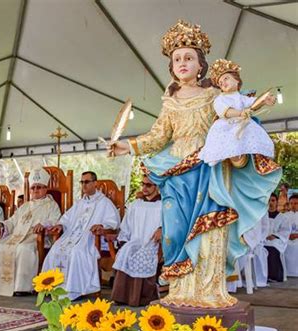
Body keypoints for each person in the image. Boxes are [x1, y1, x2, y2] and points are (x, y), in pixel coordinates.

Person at [109, 20, 282, 308]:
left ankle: (208, 291)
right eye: (177, 59)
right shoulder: (170, 101)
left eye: (189, 57)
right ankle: (180, 291)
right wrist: (127, 145)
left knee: (210, 230)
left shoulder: (215, 96)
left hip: (208, 169)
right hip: (177, 175)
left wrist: (244, 134)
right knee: (175, 231)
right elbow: (158, 136)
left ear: (201, 64)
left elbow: (236, 121)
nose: (182, 63)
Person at [41, 171, 120, 300]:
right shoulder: (79, 203)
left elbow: (113, 222)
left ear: (95, 184)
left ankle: (73, 290)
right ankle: (53, 288)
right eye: (82, 182)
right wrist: (60, 225)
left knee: (76, 252)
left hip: (90, 239)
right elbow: (66, 218)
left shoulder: (104, 203)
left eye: (87, 182)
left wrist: (102, 226)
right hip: (71, 237)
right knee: (55, 250)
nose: (83, 185)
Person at [0, 169, 61, 296]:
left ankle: (22, 287)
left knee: (23, 249)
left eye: (39, 187)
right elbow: (12, 221)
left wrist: (43, 224)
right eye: (33, 188)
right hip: (16, 236)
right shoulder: (25, 205)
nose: (35, 190)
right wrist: (2, 224)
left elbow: (56, 221)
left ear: (45, 189)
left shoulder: (52, 205)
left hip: (38, 238)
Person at [198, 59, 275, 166]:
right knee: (223, 137)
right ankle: (223, 154)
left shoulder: (241, 97)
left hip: (242, 122)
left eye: (226, 78)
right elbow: (224, 111)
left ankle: (253, 153)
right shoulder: (220, 99)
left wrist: (264, 101)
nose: (223, 83)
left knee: (253, 133)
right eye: (220, 83)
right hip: (227, 124)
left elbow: (253, 103)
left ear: (237, 80)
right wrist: (240, 113)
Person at [111, 176, 162, 306]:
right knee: (126, 251)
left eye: (148, 185)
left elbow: (171, 224)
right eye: (142, 184)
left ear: (157, 187)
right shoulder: (135, 205)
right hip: (136, 239)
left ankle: (140, 298)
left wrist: (162, 229)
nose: (144, 188)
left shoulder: (163, 205)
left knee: (142, 255)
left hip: (153, 242)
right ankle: (121, 297)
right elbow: (126, 225)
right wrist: (123, 241)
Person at [265, 193, 291, 282]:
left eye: (273, 200)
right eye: (269, 200)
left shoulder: (283, 217)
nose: (270, 203)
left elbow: (286, 230)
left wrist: (275, 235)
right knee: (259, 248)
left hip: (276, 240)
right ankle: (262, 275)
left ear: (276, 202)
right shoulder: (262, 216)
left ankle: (274, 276)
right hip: (262, 240)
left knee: (271, 248)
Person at [285, 194, 298, 276]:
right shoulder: (284, 216)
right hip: (287, 238)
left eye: (296, 203)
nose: (293, 205)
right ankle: (287, 271)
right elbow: (280, 229)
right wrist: (288, 235)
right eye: (291, 203)